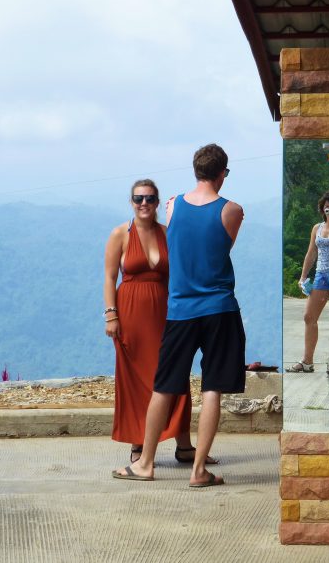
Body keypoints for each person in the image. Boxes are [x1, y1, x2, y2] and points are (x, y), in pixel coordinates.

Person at [112, 144, 244, 488]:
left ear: (195, 171)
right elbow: (221, 249)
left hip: (180, 310)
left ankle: (146, 463)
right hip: (219, 309)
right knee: (212, 388)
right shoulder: (233, 210)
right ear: (222, 173)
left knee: (164, 386)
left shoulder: (172, 205)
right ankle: (199, 470)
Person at [102, 179, 207, 465]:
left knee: (176, 373)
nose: (144, 204)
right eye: (138, 199)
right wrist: (111, 314)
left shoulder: (167, 233)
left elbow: (183, 271)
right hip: (131, 315)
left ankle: (184, 445)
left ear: (158, 202)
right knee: (136, 379)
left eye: (149, 199)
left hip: (168, 313)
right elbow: (110, 278)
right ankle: (138, 442)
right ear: (131, 202)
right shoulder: (120, 235)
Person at [289, 190, 329, 375]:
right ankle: (307, 361)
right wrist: (303, 276)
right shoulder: (316, 228)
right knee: (309, 316)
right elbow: (311, 253)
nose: (328, 210)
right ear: (321, 209)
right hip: (321, 274)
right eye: (326, 207)